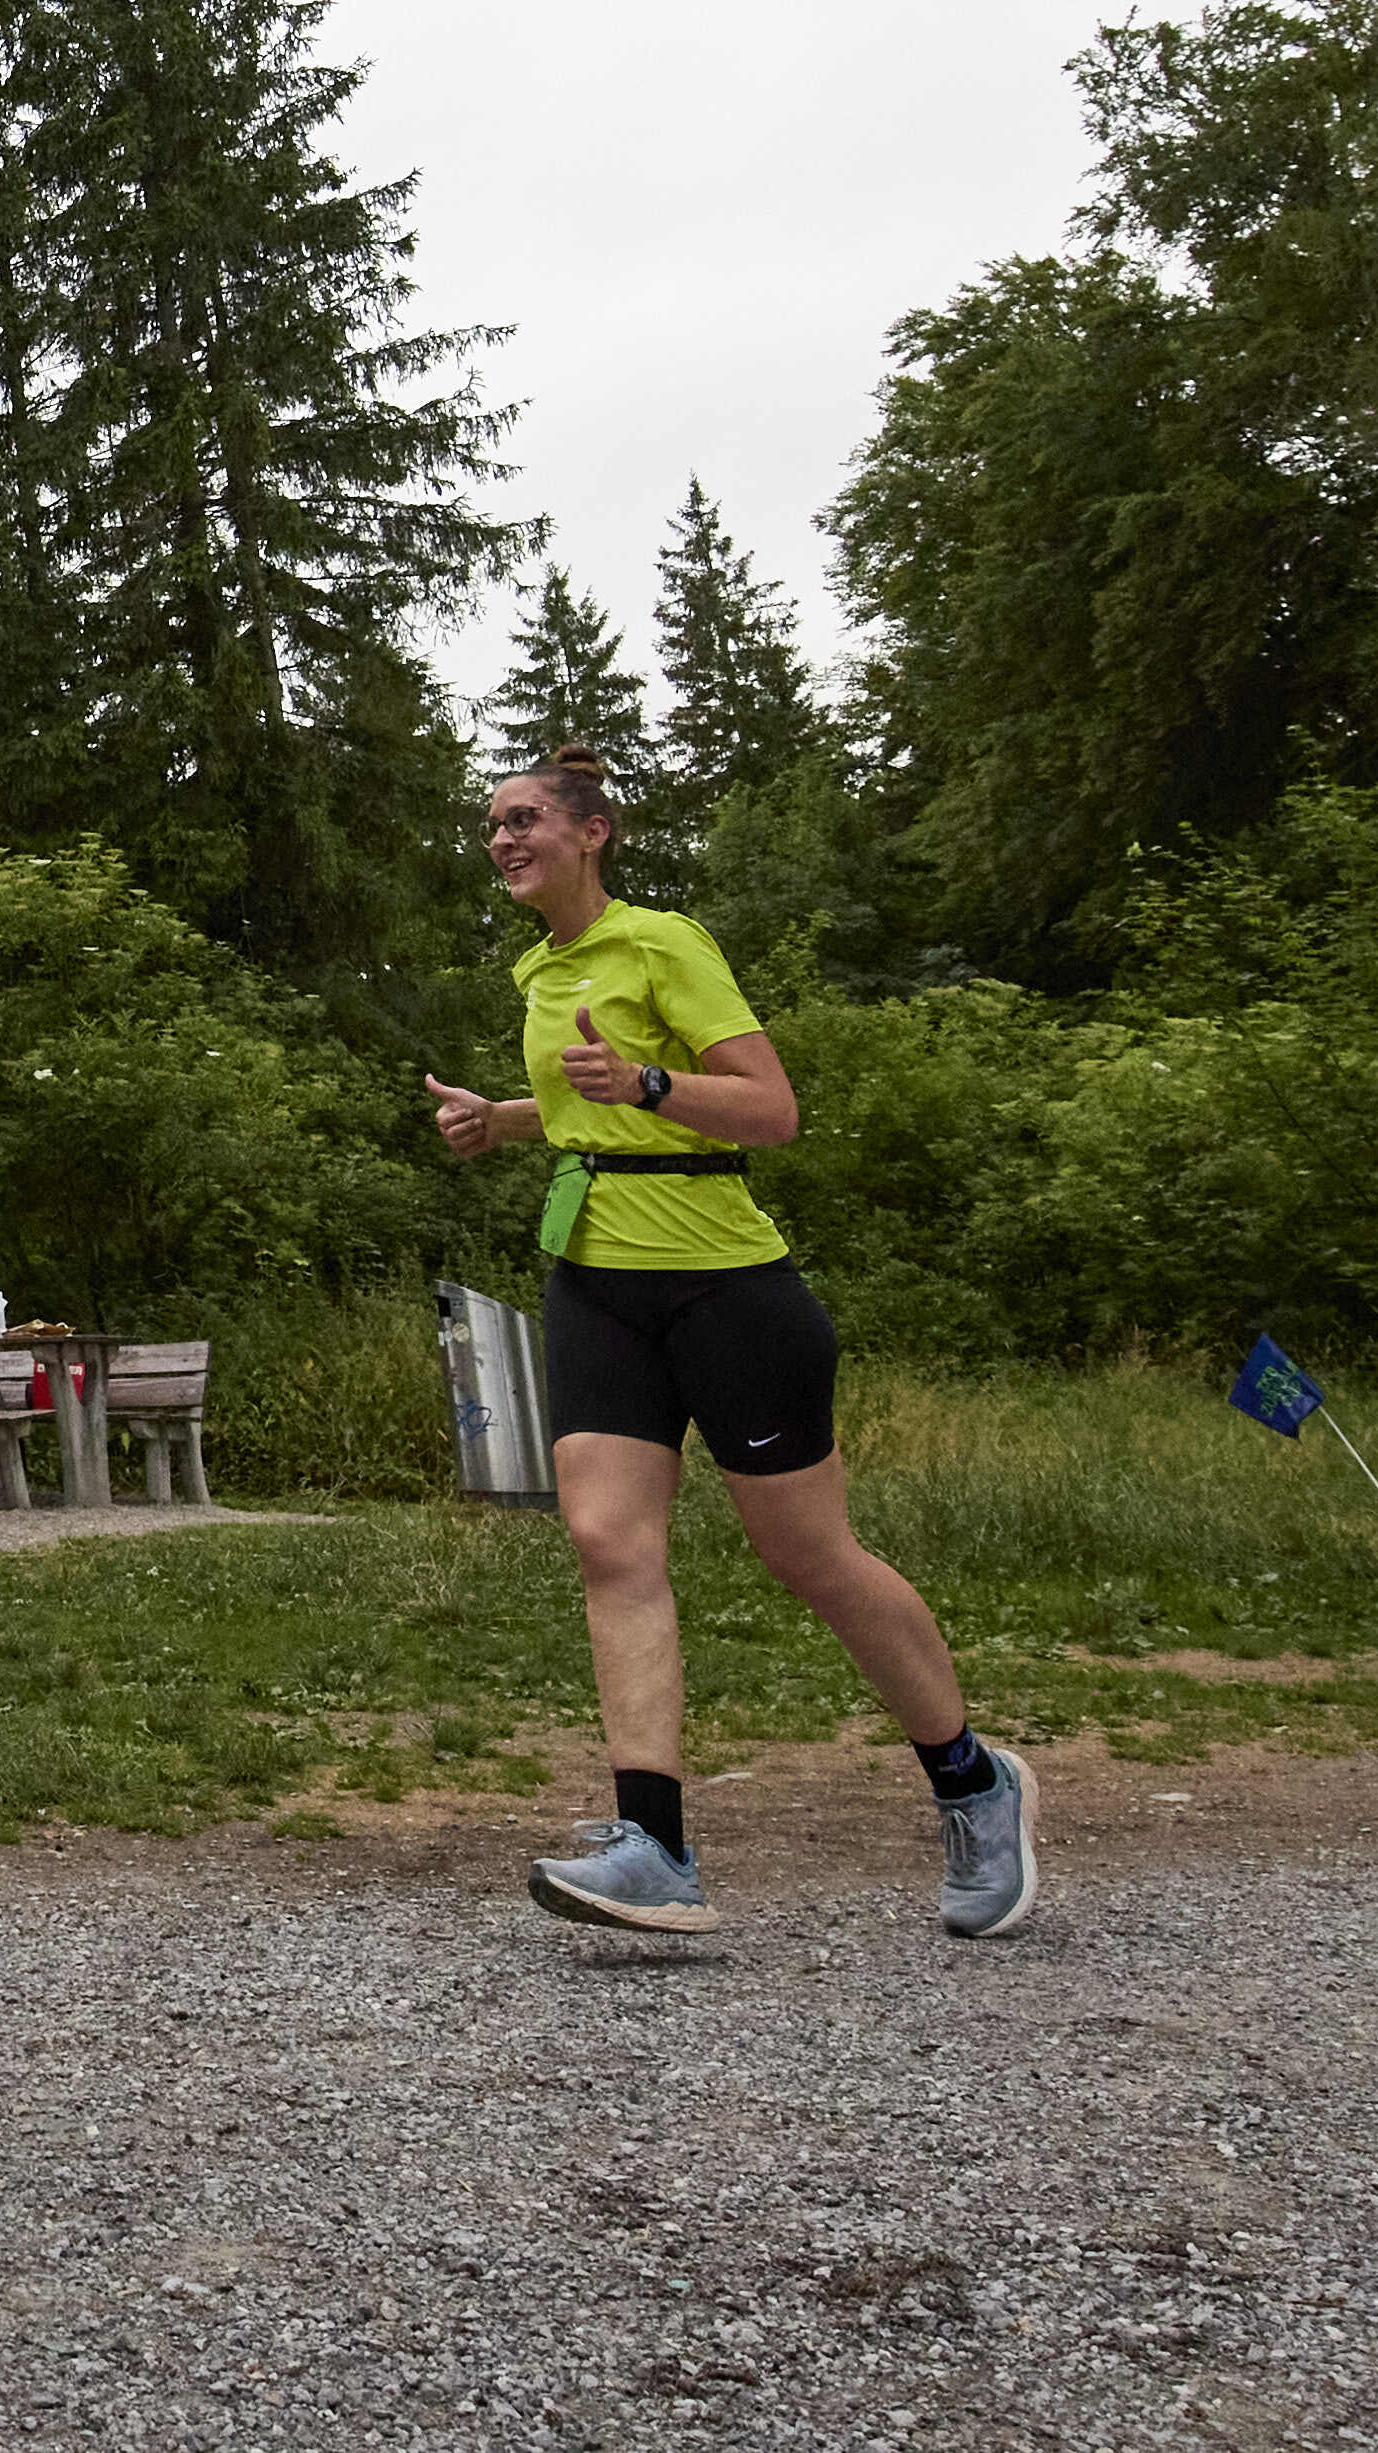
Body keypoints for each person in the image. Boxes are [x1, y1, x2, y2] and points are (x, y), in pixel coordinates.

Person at [423, 749, 1032, 1942]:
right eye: (492, 824)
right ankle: (654, 1847)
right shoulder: (541, 967)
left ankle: (974, 1784)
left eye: (525, 817)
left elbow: (771, 1108)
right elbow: (589, 1104)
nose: (502, 839)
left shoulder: (664, 943)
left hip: (726, 1287)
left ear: (593, 831)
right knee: (608, 1541)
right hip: (595, 1281)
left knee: (810, 1556)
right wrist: (507, 1120)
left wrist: (652, 1082)